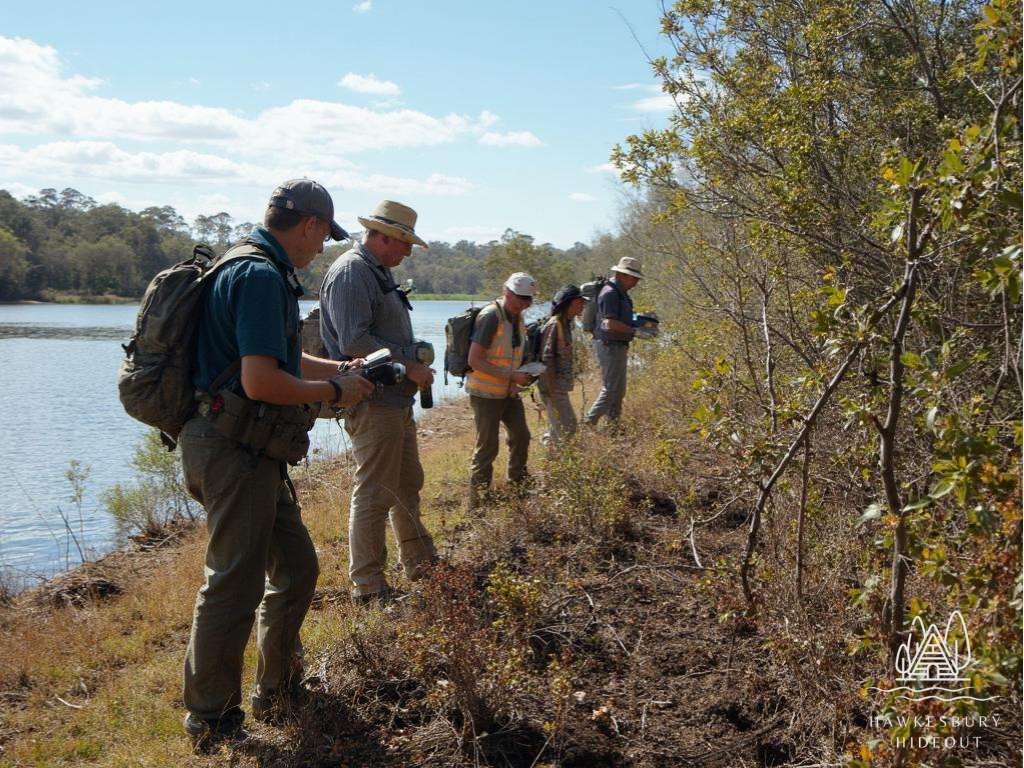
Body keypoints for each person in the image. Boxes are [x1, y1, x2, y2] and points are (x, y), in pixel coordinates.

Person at [180, 179, 375, 746]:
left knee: (295, 569)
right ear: (310, 225)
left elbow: (281, 358)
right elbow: (260, 380)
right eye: (322, 237)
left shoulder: (250, 266)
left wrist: (337, 367)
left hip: (251, 450)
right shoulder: (261, 276)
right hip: (232, 450)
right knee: (234, 584)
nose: (321, 250)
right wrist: (337, 394)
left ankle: (279, 689)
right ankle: (211, 719)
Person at [319, 200, 438, 604]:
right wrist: (409, 361)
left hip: (394, 398)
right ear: (382, 237)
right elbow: (354, 340)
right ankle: (368, 587)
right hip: (372, 399)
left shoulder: (377, 271)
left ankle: (422, 565)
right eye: (403, 243)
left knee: (407, 483)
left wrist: (410, 360)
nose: (406, 252)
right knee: (374, 492)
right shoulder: (352, 272)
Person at [466, 272, 537, 507]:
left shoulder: (517, 318)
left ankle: (517, 486)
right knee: (487, 448)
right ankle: (478, 504)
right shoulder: (490, 317)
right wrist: (512, 375)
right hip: (485, 394)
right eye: (521, 299)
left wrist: (524, 374)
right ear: (507, 292)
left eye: (529, 300)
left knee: (521, 436)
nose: (525, 304)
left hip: (509, 392)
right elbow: (474, 360)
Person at [585, 256, 644, 427]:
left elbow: (620, 319)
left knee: (619, 391)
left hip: (616, 345)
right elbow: (610, 323)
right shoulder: (610, 293)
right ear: (623, 275)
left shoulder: (621, 293)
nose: (636, 283)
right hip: (608, 346)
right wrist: (635, 331)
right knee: (611, 389)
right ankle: (589, 422)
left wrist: (640, 323)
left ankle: (613, 428)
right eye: (634, 278)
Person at [538, 284, 589, 443]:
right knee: (568, 427)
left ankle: (552, 459)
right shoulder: (555, 325)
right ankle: (564, 462)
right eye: (580, 302)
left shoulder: (566, 323)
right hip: (553, 387)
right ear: (570, 304)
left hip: (557, 386)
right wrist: (551, 390)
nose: (583, 306)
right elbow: (547, 358)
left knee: (559, 428)